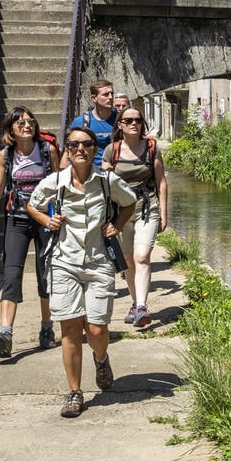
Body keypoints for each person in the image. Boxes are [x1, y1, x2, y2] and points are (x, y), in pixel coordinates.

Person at [27, 126, 136, 418]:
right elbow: (32, 204)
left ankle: (101, 359)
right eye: (74, 144)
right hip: (64, 262)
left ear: (93, 149)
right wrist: (46, 220)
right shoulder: (56, 181)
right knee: (71, 328)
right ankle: (75, 392)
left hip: (99, 261)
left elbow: (129, 202)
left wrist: (117, 225)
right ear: (67, 149)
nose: (80, 149)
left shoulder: (106, 180)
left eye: (86, 144)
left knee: (97, 327)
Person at [0, 107, 61, 357]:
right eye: (21, 123)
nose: (27, 126)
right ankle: (5, 332)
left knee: (45, 275)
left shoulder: (47, 150)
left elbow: (60, 185)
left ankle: (46, 327)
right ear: (11, 130)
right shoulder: (5, 156)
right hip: (16, 219)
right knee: (11, 275)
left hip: (44, 220)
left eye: (31, 122)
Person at [102, 107, 168, 327]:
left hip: (147, 207)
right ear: (119, 124)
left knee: (142, 256)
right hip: (121, 212)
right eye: (128, 120)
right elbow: (105, 185)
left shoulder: (151, 147)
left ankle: (141, 307)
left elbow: (161, 182)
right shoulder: (112, 150)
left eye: (137, 120)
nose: (133, 123)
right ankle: (135, 302)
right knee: (128, 261)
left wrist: (164, 213)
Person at [70, 79, 117, 168]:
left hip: (116, 170)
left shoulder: (120, 120)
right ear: (94, 98)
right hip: (91, 170)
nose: (110, 97)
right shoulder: (81, 122)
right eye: (105, 95)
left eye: (112, 93)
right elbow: (69, 150)